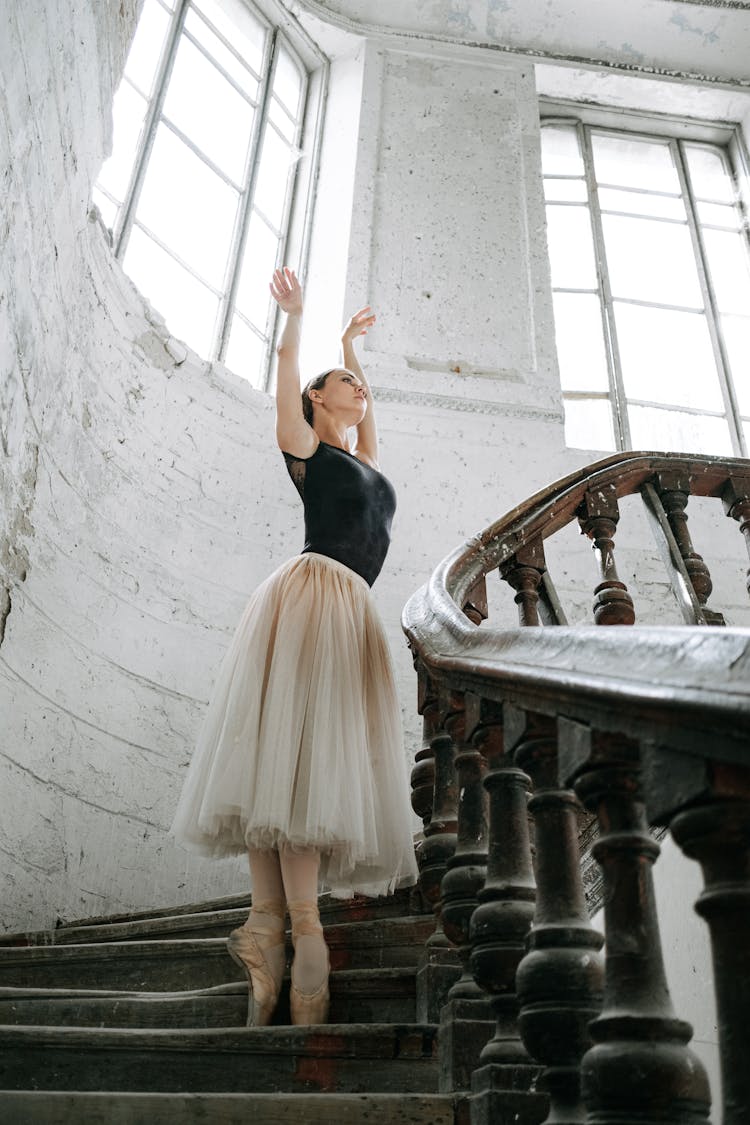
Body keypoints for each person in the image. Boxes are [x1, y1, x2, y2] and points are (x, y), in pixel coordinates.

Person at [171, 266, 418, 1028]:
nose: (358, 387)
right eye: (344, 380)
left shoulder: (367, 461)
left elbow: (368, 422)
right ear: (318, 399)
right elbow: (285, 381)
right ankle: (300, 938)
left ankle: (270, 933)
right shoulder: (306, 445)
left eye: (358, 381)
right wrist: (298, 322)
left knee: (308, 760)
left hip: (352, 608)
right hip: (311, 591)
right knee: (287, 756)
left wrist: (352, 346)